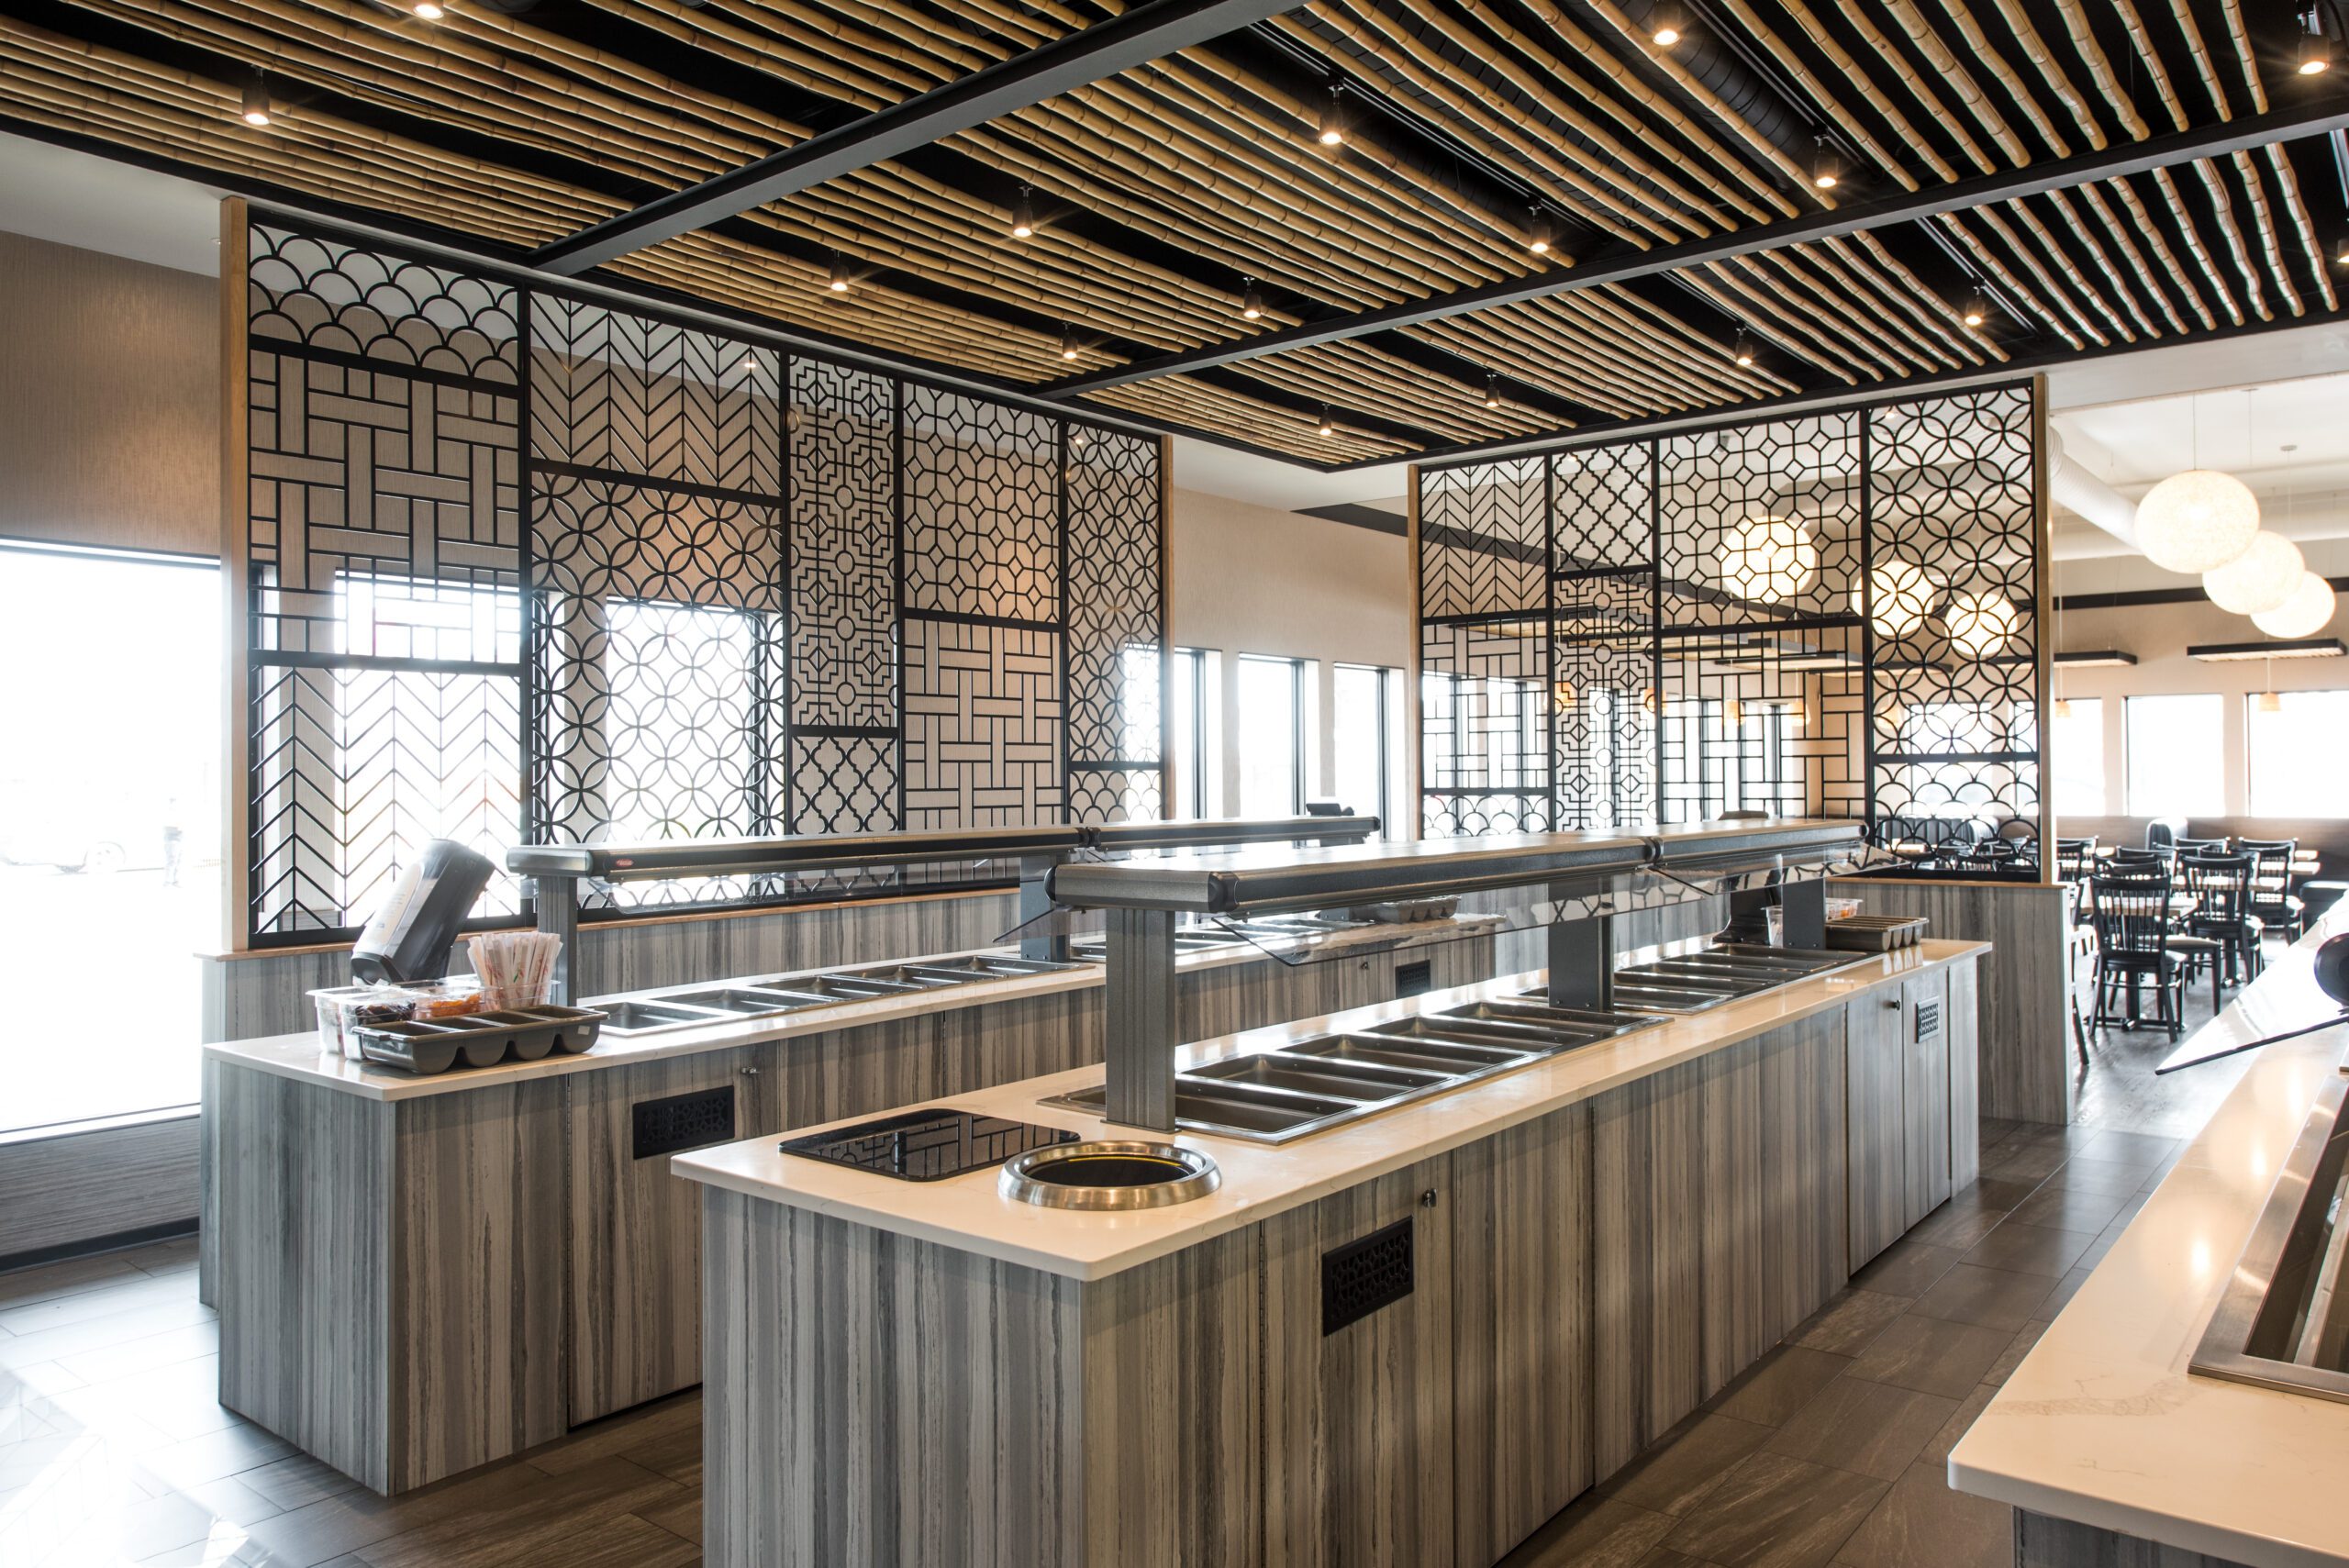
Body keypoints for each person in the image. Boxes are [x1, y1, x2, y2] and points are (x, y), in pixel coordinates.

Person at [161, 802, 183, 888]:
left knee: (178, 861)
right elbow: (167, 828)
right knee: (172, 861)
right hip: (172, 840)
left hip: (179, 840)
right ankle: (168, 881)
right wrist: (179, 828)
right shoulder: (168, 815)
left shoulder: (178, 814)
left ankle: (175, 880)